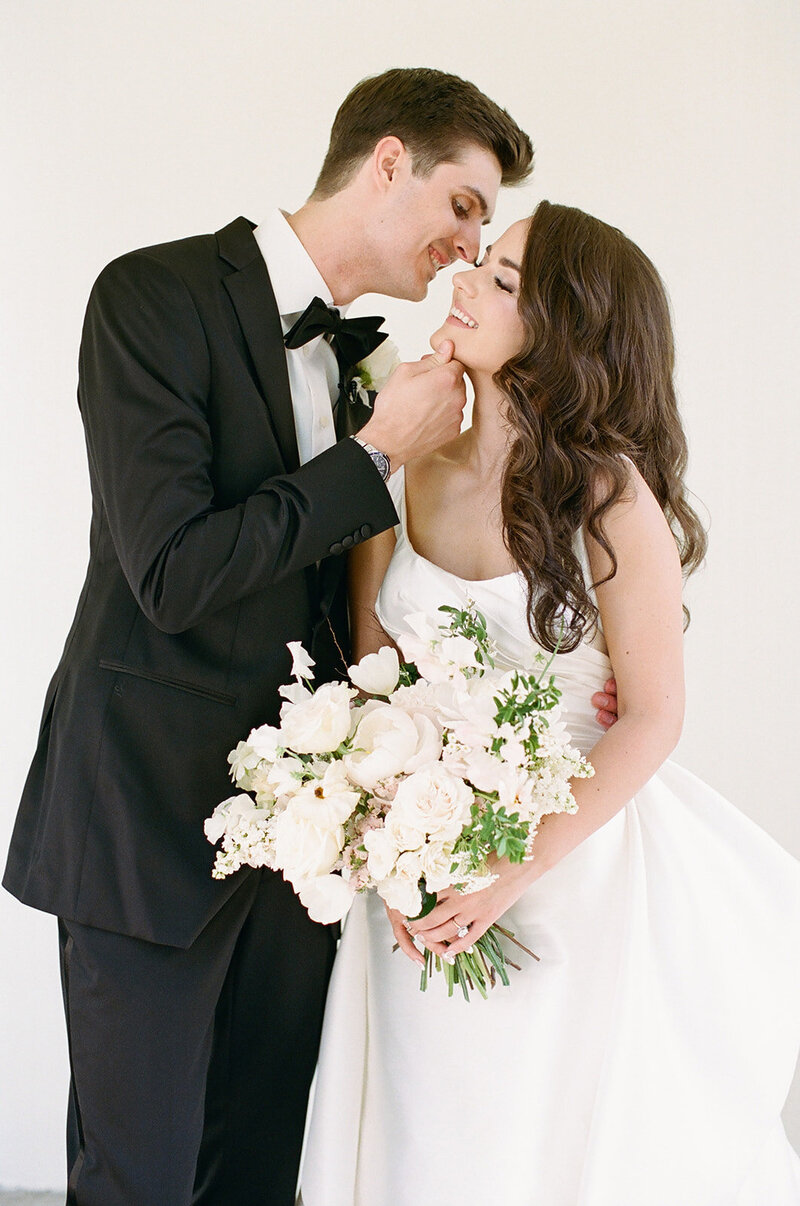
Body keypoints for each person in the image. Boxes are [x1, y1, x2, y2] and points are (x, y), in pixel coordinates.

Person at [2, 69, 549, 1206]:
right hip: (145, 821)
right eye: (461, 204)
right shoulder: (150, 295)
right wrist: (373, 458)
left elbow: (352, 612)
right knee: (135, 1181)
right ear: (387, 160)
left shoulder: (363, 364)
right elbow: (171, 574)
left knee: (259, 1173)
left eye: (484, 227)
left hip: (302, 853)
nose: (467, 241)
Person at [300, 202, 800, 1205]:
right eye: (475, 265)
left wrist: (503, 869)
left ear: (564, 328)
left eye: (500, 281)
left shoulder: (608, 494)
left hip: (572, 869)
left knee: (552, 1139)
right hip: (421, 872)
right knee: (432, 1134)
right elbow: (373, 670)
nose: (461, 285)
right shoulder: (401, 470)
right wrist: (399, 844)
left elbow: (653, 713)